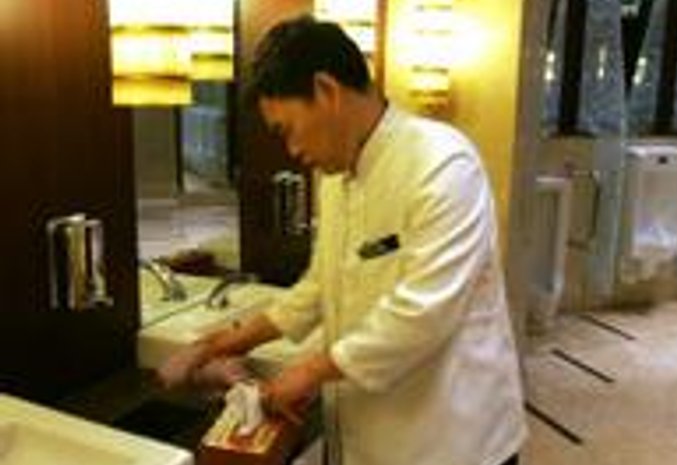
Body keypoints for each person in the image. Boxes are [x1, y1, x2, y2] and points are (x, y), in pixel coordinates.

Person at [158, 14, 527, 465]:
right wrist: (225, 343)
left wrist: (310, 371)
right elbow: (319, 286)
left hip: (450, 440)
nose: (292, 151)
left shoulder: (442, 164)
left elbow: (423, 313)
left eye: (287, 129)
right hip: (365, 433)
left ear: (326, 91)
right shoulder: (336, 178)